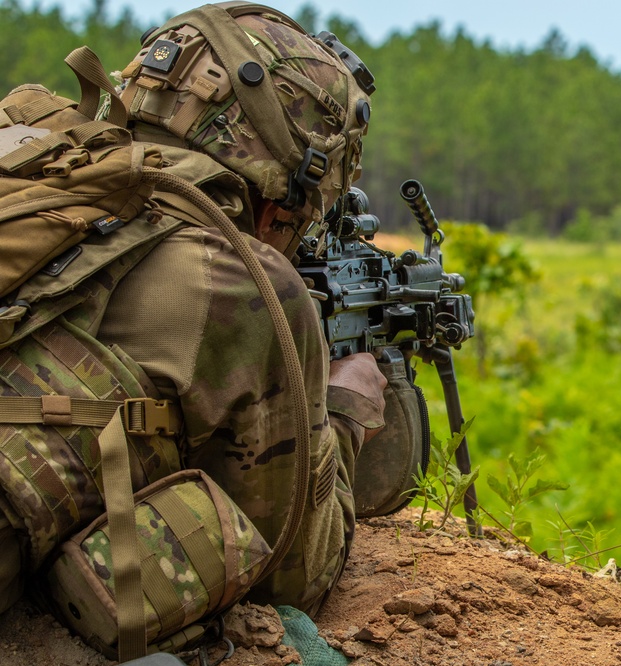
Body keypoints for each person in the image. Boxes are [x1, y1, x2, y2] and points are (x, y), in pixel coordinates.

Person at [0, 1, 387, 623]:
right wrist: (344, 410)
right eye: (303, 222)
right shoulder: (240, 283)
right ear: (279, 200)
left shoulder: (37, 180)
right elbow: (295, 579)